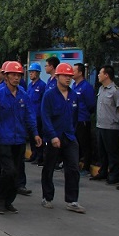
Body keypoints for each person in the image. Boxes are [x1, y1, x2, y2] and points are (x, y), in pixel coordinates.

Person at [0, 61, 41, 215]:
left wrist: (35, 133)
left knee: (16, 172)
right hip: (4, 139)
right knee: (8, 171)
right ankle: (0, 199)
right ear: (6, 76)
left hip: (19, 139)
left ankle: (9, 201)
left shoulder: (23, 95)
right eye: (13, 75)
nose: (16, 78)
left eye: (19, 75)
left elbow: (29, 115)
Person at [39, 63, 85, 213]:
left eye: (70, 76)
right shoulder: (49, 95)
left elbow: (75, 118)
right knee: (49, 167)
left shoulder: (73, 96)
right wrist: (52, 136)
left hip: (69, 137)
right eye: (65, 75)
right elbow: (45, 117)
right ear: (57, 76)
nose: (68, 78)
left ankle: (72, 200)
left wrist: (71, 132)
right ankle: (47, 197)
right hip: (53, 137)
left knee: (73, 168)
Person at [92, 66, 119, 185]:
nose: (98, 75)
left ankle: (114, 175)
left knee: (112, 152)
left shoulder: (116, 91)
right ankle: (103, 172)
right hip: (101, 125)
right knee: (102, 152)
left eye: (100, 73)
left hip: (111, 127)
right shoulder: (101, 89)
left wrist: (116, 120)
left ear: (106, 75)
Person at [72, 63, 96, 176]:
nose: (71, 73)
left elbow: (91, 105)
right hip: (74, 119)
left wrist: (85, 114)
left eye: (74, 70)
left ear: (80, 73)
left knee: (85, 144)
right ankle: (75, 165)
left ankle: (86, 167)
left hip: (83, 120)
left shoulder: (86, 87)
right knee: (75, 143)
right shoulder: (74, 85)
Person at [26, 62, 46, 165]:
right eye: (30, 72)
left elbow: (44, 101)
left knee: (38, 136)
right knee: (31, 136)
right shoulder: (30, 85)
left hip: (38, 115)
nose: (31, 74)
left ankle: (39, 156)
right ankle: (33, 154)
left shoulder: (42, 85)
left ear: (38, 73)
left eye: (33, 72)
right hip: (30, 115)